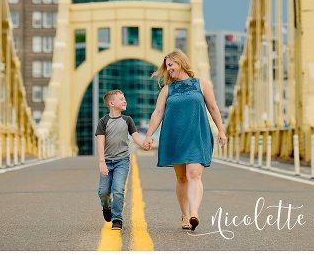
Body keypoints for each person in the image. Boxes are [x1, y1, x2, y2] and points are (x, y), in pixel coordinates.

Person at [144, 49, 227, 231]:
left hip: (197, 135)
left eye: (171, 65)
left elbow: (213, 108)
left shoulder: (202, 84)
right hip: (174, 137)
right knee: (181, 177)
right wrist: (149, 135)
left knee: (194, 175)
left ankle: (194, 213)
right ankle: (185, 214)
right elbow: (157, 113)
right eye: (167, 67)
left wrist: (221, 131)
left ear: (180, 63)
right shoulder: (167, 89)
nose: (169, 69)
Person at [96, 90, 150, 231]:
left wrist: (143, 144)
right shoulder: (103, 122)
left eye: (124, 98)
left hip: (122, 161)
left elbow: (135, 136)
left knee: (118, 189)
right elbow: (100, 142)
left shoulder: (127, 120)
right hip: (107, 161)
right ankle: (106, 206)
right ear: (112, 103)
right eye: (121, 99)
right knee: (103, 192)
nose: (125, 100)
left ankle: (117, 219)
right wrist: (102, 162)